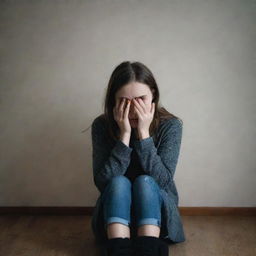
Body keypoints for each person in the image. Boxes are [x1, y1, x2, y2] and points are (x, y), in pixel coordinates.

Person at [90, 61, 185, 256]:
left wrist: (143, 134)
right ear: (113, 101)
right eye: (124, 101)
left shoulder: (171, 125)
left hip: (159, 217)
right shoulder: (102, 125)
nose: (133, 109)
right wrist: (124, 136)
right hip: (113, 219)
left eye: (141, 98)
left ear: (153, 96)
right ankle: (118, 249)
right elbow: (102, 183)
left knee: (145, 181)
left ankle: (149, 247)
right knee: (118, 182)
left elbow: (163, 180)